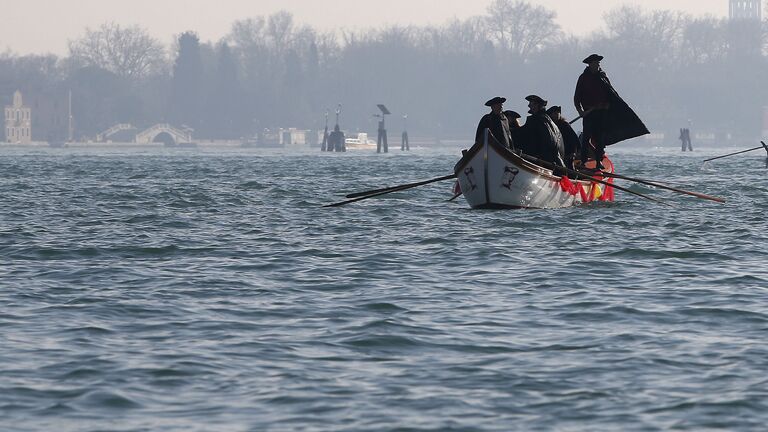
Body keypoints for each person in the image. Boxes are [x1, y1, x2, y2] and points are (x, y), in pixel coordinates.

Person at [574, 53, 649, 170]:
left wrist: (607, 105)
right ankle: (583, 162)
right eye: (596, 62)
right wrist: (580, 111)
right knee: (586, 138)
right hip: (589, 113)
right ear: (590, 64)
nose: (598, 64)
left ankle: (598, 161)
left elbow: (611, 94)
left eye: (599, 62)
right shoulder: (583, 78)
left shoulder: (602, 77)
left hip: (602, 113)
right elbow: (577, 97)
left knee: (600, 138)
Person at [518, 95, 566, 172]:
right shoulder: (548, 121)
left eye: (531, 103)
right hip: (553, 163)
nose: (529, 105)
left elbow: (548, 142)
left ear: (537, 105)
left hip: (544, 164)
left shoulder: (537, 120)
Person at [546, 105, 579, 171]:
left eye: (557, 113)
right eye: (554, 113)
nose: (556, 115)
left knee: (569, 168)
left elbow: (574, 139)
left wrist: (573, 152)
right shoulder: (550, 127)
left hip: (568, 152)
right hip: (558, 153)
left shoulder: (565, 125)